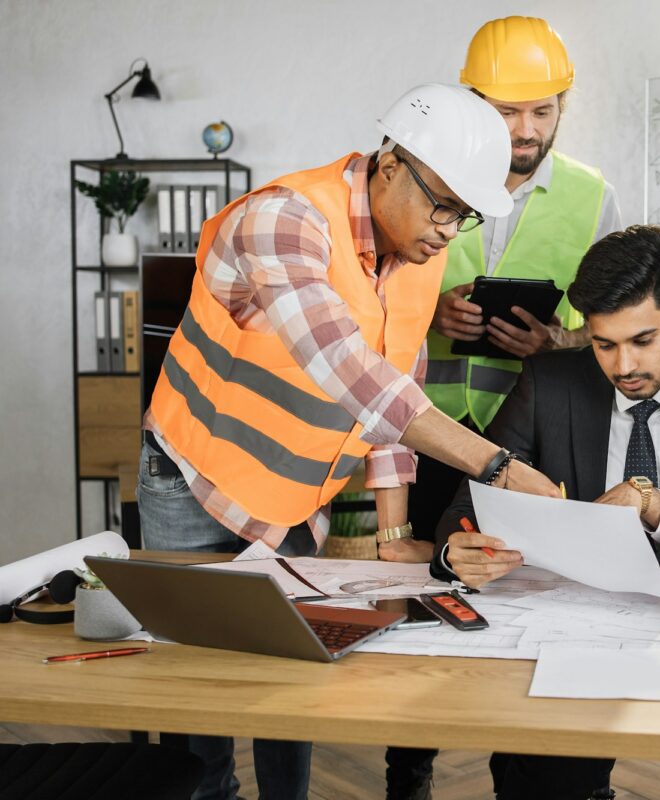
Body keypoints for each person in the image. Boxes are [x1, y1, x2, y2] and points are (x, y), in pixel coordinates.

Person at [137, 83, 560, 800]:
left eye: (463, 216)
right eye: (444, 206)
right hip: (194, 475)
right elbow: (349, 371)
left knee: (291, 676)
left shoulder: (421, 256)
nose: (448, 231)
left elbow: (397, 378)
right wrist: (493, 463)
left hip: (292, 495)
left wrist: (393, 530)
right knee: (194, 685)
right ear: (391, 167)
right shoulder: (284, 220)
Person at [386, 225, 660, 800]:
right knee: (546, 778)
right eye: (603, 344)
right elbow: (467, 506)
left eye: (642, 340)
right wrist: (454, 552)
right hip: (572, 623)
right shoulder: (549, 383)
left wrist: (651, 503)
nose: (623, 365)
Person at [403, 15, 623, 557]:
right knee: (439, 574)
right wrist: (431, 314)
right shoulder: (426, 177)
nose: (527, 129)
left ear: (561, 108)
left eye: (542, 111)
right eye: (507, 112)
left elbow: (621, 324)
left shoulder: (594, 196)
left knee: (538, 576)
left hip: (542, 429)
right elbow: (377, 292)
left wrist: (556, 343)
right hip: (432, 428)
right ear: (476, 106)